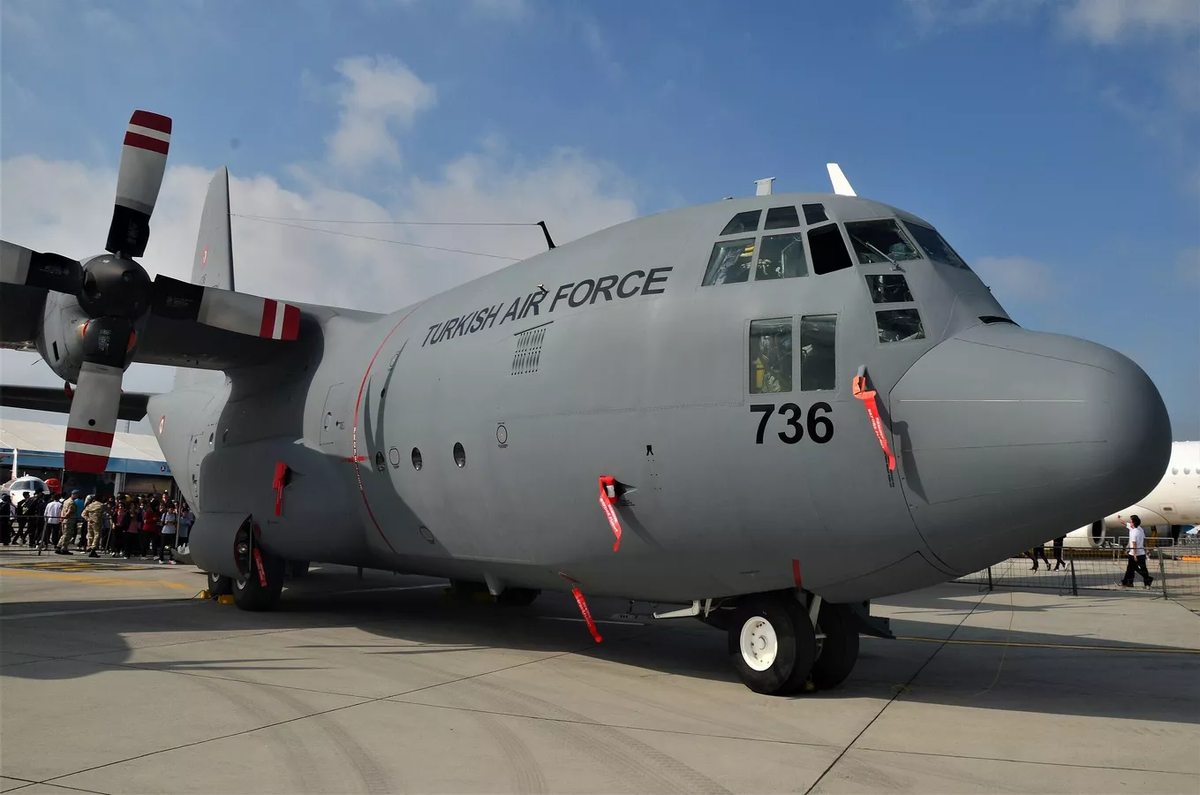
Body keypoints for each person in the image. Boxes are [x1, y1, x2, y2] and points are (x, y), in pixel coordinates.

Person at [1119, 514, 1154, 588]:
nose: (1130, 523)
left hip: (1134, 554)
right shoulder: (1140, 529)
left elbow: (1134, 544)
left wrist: (1134, 554)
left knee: (1134, 568)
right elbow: (1124, 523)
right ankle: (1127, 582)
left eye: (1131, 522)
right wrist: (1119, 519)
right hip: (1141, 553)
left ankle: (1147, 579)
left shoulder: (1134, 532)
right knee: (1137, 568)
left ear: (1134, 523)